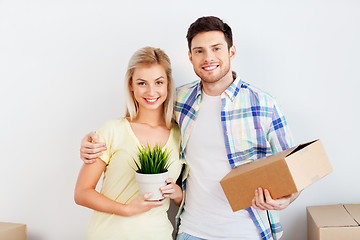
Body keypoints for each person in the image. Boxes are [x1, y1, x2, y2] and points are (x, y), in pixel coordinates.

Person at [80, 17, 300, 240]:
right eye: (199, 51)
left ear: (231, 52)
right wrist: (91, 140)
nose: (208, 58)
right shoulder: (181, 101)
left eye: (216, 48)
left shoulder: (264, 104)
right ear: (190, 57)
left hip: (247, 232)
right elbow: (144, 116)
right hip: (192, 231)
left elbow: (296, 169)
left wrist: (286, 199)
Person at [74, 46, 183, 240]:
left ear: (168, 84)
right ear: (131, 85)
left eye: (159, 82)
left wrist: (178, 194)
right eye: (142, 83)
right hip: (107, 234)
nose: (151, 91)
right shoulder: (112, 130)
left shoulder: (181, 135)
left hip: (157, 234)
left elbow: (189, 197)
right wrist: (126, 209)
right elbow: (82, 193)